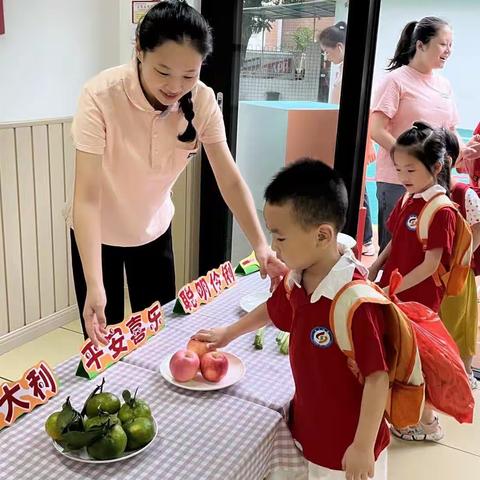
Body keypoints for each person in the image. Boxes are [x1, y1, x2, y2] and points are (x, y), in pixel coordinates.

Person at [69, 0, 282, 347]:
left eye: (189, 75)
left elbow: (228, 177)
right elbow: (87, 198)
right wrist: (95, 283)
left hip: (154, 231)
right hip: (98, 234)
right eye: (163, 72)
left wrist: (260, 245)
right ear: (139, 49)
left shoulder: (202, 101)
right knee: (104, 345)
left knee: (157, 336)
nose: (175, 86)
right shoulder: (100, 95)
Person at [193, 159, 390, 479]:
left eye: (280, 238)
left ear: (323, 236)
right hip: (312, 432)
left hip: (347, 449)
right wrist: (229, 333)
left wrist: (362, 446)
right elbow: (274, 310)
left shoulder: (355, 302)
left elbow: (377, 377)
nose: (273, 247)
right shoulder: (299, 278)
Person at [369, 122, 459, 441]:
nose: (403, 177)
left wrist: (392, 287)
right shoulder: (410, 199)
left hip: (419, 302)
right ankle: (406, 415)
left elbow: (430, 264)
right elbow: (395, 240)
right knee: (400, 356)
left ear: (436, 167)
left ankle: (429, 422)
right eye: (398, 170)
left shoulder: (441, 210)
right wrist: (375, 266)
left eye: (410, 169)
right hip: (397, 293)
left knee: (418, 363)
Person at [371, 17, 459, 252]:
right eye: (443, 44)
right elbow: (376, 129)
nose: (448, 50)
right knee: (395, 251)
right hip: (398, 180)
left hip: (435, 181)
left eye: (451, 45)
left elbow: (449, 130)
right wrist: (410, 160)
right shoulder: (396, 80)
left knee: (425, 252)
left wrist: (464, 152)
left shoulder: (445, 86)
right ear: (420, 45)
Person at [319, 21, 376, 256]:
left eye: (327, 50)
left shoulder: (354, 72)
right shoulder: (342, 69)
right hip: (342, 135)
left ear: (340, 47)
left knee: (358, 189)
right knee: (355, 187)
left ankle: (367, 238)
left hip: (356, 141)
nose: (326, 55)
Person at [441, 133, 480, 389]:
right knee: (442, 321)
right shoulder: (421, 195)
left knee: (460, 323)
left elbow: (477, 229)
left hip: (458, 272)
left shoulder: (462, 194)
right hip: (438, 271)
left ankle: (465, 373)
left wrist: (461, 260)